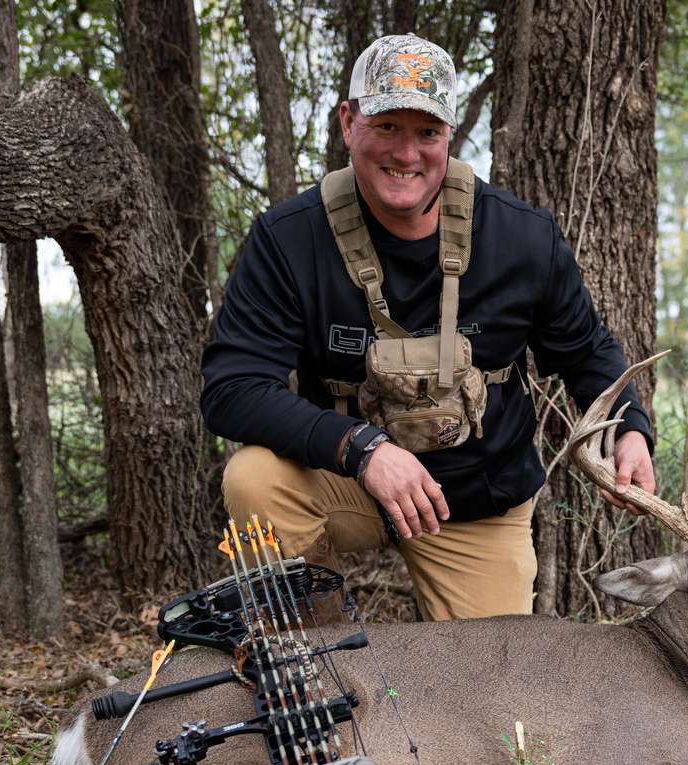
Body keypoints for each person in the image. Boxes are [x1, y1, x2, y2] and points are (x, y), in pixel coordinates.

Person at [201, 34, 656, 621]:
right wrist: (362, 449)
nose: (407, 153)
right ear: (349, 121)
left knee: (495, 700)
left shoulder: (521, 237)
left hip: (476, 499)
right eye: (387, 126)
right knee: (254, 479)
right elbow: (231, 389)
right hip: (349, 481)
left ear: (449, 138)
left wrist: (631, 431)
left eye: (427, 132)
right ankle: (321, 655)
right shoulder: (289, 239)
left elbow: (588, 352)